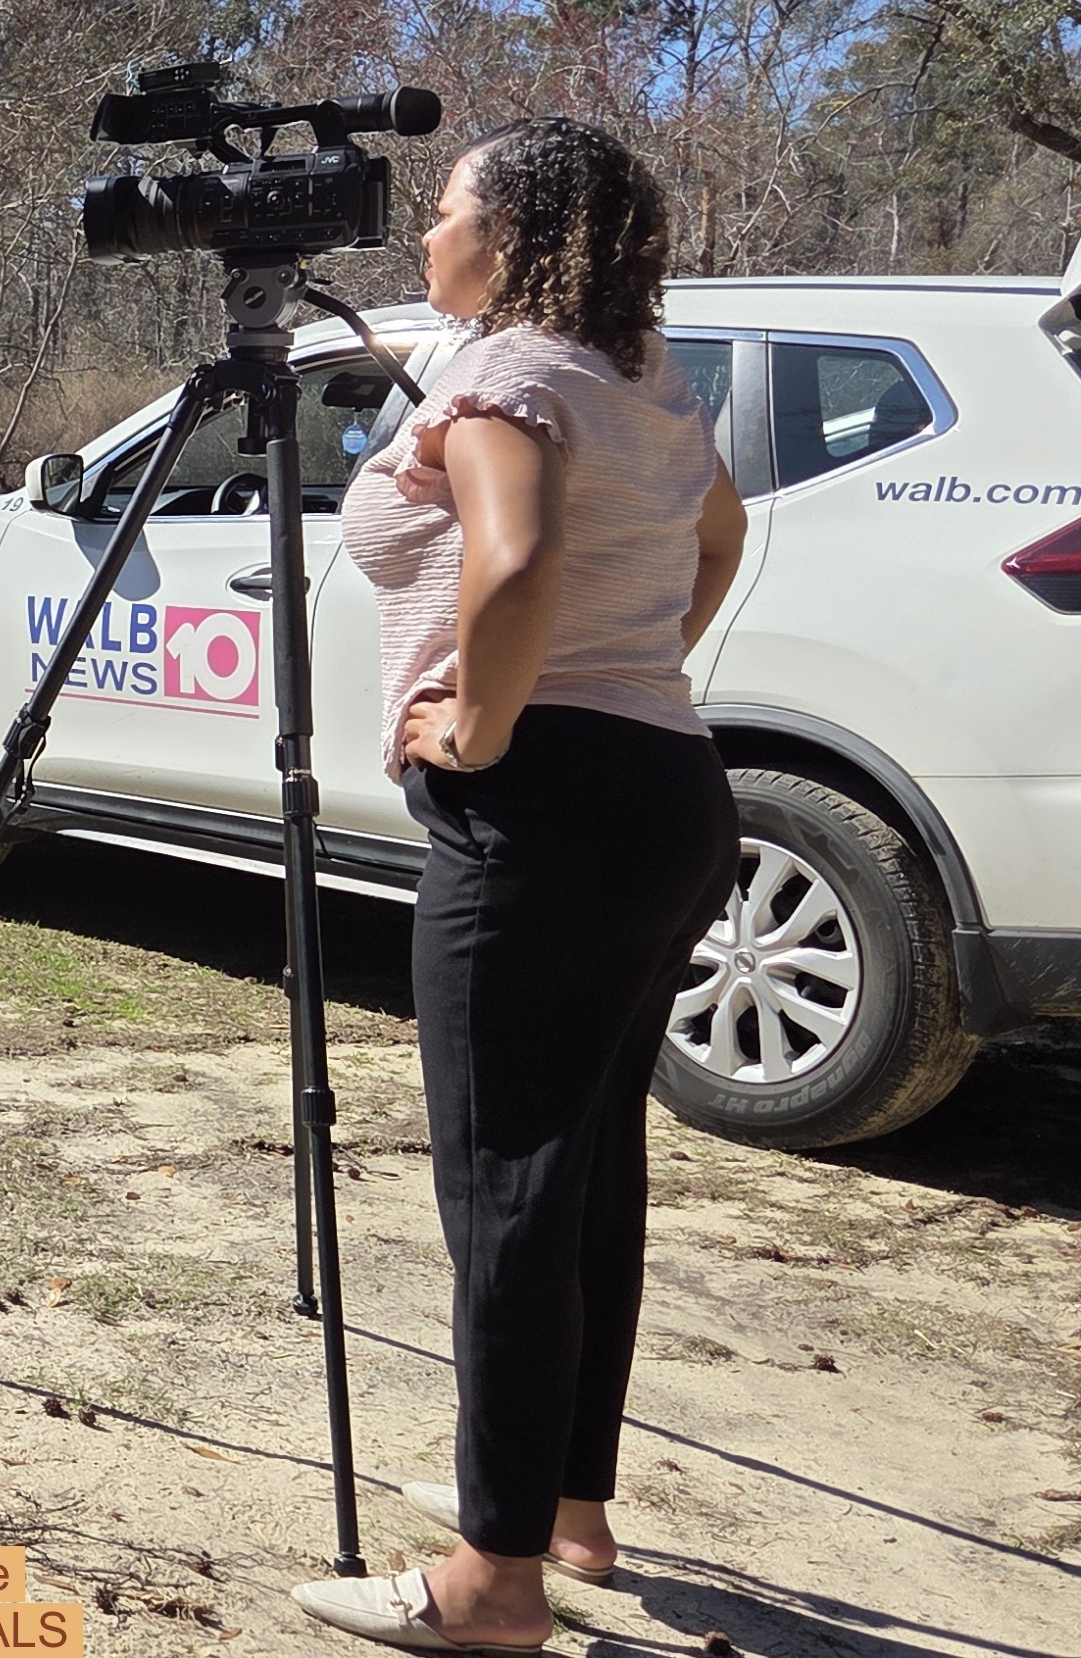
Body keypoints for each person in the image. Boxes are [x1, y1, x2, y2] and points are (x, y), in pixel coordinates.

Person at [292, 119, 748, 1654]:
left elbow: (515, 559)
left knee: (504, 1189)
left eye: (445, 212)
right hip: (667, 794)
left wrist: (485, 726)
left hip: (542, 819)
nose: (428, 235)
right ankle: (563, 1510)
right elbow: (722, 537)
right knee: (584, 1171)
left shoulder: (503, 378)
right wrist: (634, 673)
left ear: (508, 238)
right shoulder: (640, 378)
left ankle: (492, 1585)